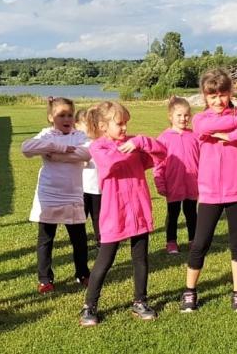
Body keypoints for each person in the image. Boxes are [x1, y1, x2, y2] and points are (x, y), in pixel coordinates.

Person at [180, 69, 237, 314]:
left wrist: (232, 137)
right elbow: (207, 127)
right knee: (200, 243)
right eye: (212, 97)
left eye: (222, 95)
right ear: (205, 96)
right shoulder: (201, 119)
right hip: (210, 191)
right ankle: (190, 291)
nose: (218, 101)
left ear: (229, 93)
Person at [78, 101, 166, 326]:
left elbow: (161, 153)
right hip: (114, 212)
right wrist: (131, 147)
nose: (125, 128)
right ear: (103, 125)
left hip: (138, 209)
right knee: (104, 260)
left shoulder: (134, 143)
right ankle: (89, 306)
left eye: (127, 124)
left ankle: (140, 301)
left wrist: (142, 142)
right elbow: (111, 163)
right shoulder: (98, 147)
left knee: (141, 258)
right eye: (120, 124)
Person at [22, 97, 91, 294]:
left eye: (69, 114)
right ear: (51, 117)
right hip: (49, 195)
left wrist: (56, 156)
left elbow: (86, 154)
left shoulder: (79, 135)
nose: (66, 118)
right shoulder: (46, 134)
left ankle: (83, 273)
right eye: (61, 115)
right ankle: (45, 279)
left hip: (73, 195)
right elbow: (26, 149)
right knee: (46, 239)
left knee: (79, 239)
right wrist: (58, 147)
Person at [154, 96, 199, 254]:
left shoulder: (195, 136)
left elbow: (203, 159)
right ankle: (171, 241)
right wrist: (160, 182)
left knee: (191, 213)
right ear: (170, 116)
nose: (183, 118)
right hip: (173, 182)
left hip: (192, 182)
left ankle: (194, 240)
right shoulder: (164, 138)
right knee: (173, 214)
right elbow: (158, 163)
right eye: (179, 115)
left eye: (186, 115)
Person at [75, 107, 101, 247]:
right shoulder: (78, 143)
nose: (91, 125)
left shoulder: (99, 141)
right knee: (80, 217)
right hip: (81, 188)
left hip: (98, 187)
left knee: (98, 217)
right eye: (87, 122)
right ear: (77, 125)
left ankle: (101, 241)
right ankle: (80, 242)